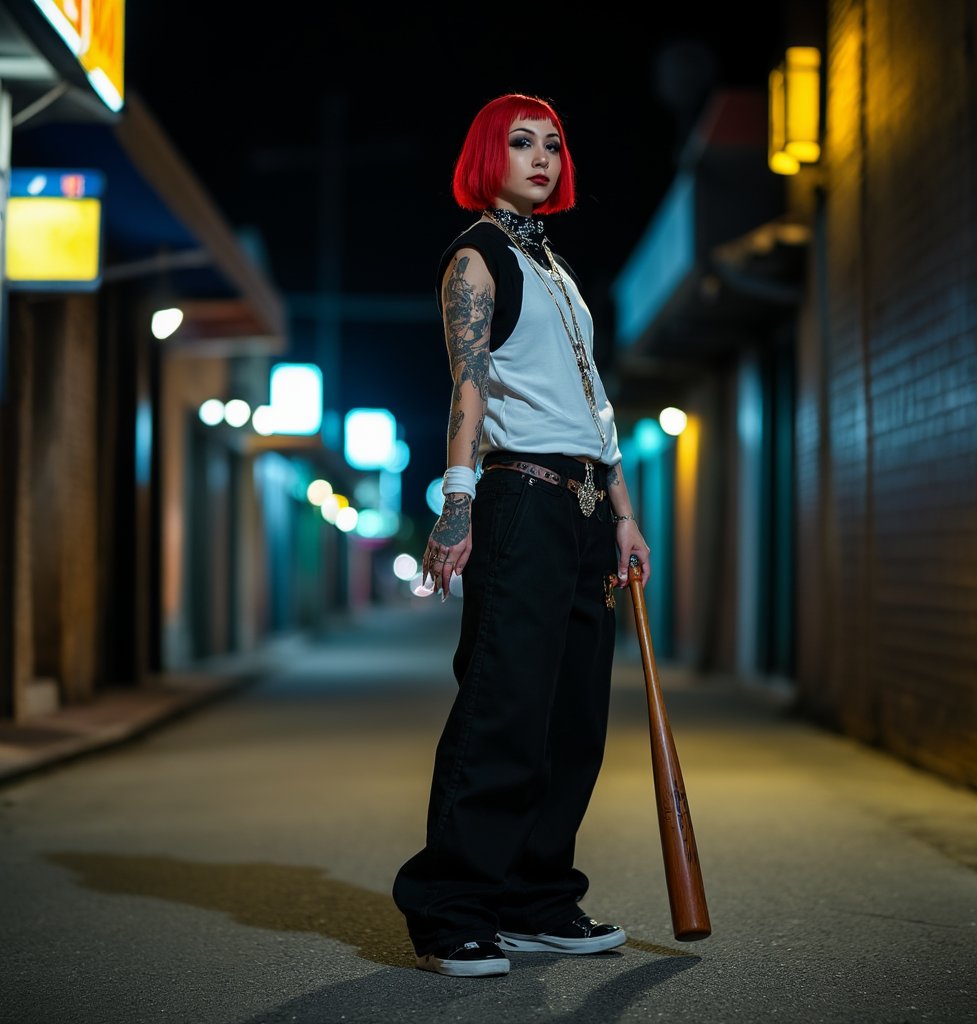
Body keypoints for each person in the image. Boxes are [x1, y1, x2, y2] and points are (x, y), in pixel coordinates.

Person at [392, 93, 651, 979]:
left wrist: (623, 513)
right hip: (521, 499)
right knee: (503, 707)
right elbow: (469, 383)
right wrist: (455, 501)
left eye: (553, 144)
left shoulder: (559, 271)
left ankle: (537, 900)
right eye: (521, 142)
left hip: (582, 507)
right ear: (487, 154)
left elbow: (595, 407)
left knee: (574, 717)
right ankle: (452, 910)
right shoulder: (477, 257)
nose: (541, 156)